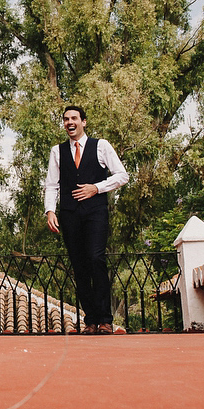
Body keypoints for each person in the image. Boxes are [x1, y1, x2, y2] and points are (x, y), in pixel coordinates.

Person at [44, 105, 128, 335]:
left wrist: (97, 188)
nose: (69, 122)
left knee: (95, 259)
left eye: (74, 118)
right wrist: (50, 211)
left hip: (95, 212)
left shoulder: (101, 146)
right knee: (79, 266)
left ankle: (105, 320)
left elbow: (122, 175)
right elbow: (51, 184)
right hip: (69, 213)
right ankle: (90, 321)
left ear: (84, 121)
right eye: (65, 119)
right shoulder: (57, 151)